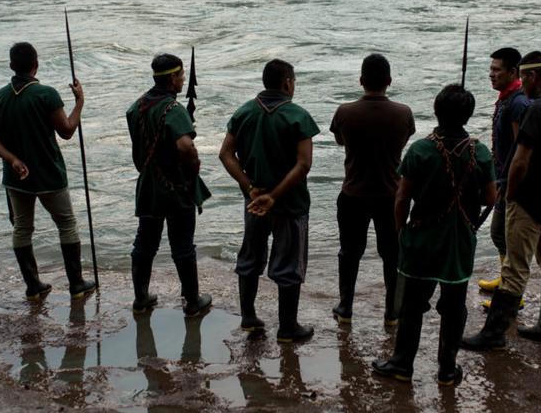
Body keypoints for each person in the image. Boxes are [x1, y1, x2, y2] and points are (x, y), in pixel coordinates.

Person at [371, 84, 496, 386]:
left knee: (412, 305)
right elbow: (491, 198)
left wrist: (402, 231)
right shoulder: (479, 151)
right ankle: (447, 370)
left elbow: (401, 199)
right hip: (460, 241)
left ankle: (402, 364)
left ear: (436, 111)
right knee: (454, 307)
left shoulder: (421, 150)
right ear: (468, 114)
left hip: (422, 238)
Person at [462, 51, 541, 350]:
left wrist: (510, 194)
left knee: (515, 268)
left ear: (531, 77)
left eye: (524, 77)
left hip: (529, 200)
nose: (522, 82)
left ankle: (493, 334)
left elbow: (520, 161)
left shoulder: (537, 110)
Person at [0, 42, 96, 301]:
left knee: (22, 228)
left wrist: (12, 159)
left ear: (12, 65)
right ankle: (76, 283)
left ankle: (33, 286)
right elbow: (67, 130)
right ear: (37, 63)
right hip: (48, 173)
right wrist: (79, 102)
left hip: (15, 176)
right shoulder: (46, 95)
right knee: (66, 224)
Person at [219, 59, 320, 342]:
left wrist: (250, 187)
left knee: (251, 257)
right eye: (294, 81)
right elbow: (303, 165)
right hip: (289, 203)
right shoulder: (297, 116)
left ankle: (249, 317)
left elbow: (225, 154)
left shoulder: (244, 112)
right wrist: (274, 196)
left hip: (254, 200)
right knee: (289, 265)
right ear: (287, 82)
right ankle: (288, 327)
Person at [329, 54, 415, 325]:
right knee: (392, 254)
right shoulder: (403, 113)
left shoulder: (345, 112)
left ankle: (346, 307)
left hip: (354, 193)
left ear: (361, 80)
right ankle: (392, 311)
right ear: (389, 81)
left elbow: (340, 140)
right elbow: (404, 139)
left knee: (349, 252)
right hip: (391, 194)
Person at [126, 53, 212, 317]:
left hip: (149, 185)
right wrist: (194, 167)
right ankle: (192, 301)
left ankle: (141, 298)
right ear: (173, 78)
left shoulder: (135, 107)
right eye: (182, 76)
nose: (183, 80)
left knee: (145, 242)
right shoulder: (175, 110)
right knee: (183, 245)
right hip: (175, 187)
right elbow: (186, 146)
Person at [477, 48, 531, 305]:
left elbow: (523, 147)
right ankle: (505, 279)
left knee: (504, 233)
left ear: (513, 72)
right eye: (491, 69)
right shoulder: (507, 98)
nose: (491, 74)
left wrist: (510, 184)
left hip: (512, 181)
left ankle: (512, 293)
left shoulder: (518, 103)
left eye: (497, 70)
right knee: (500, 233)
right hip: (502, 177)